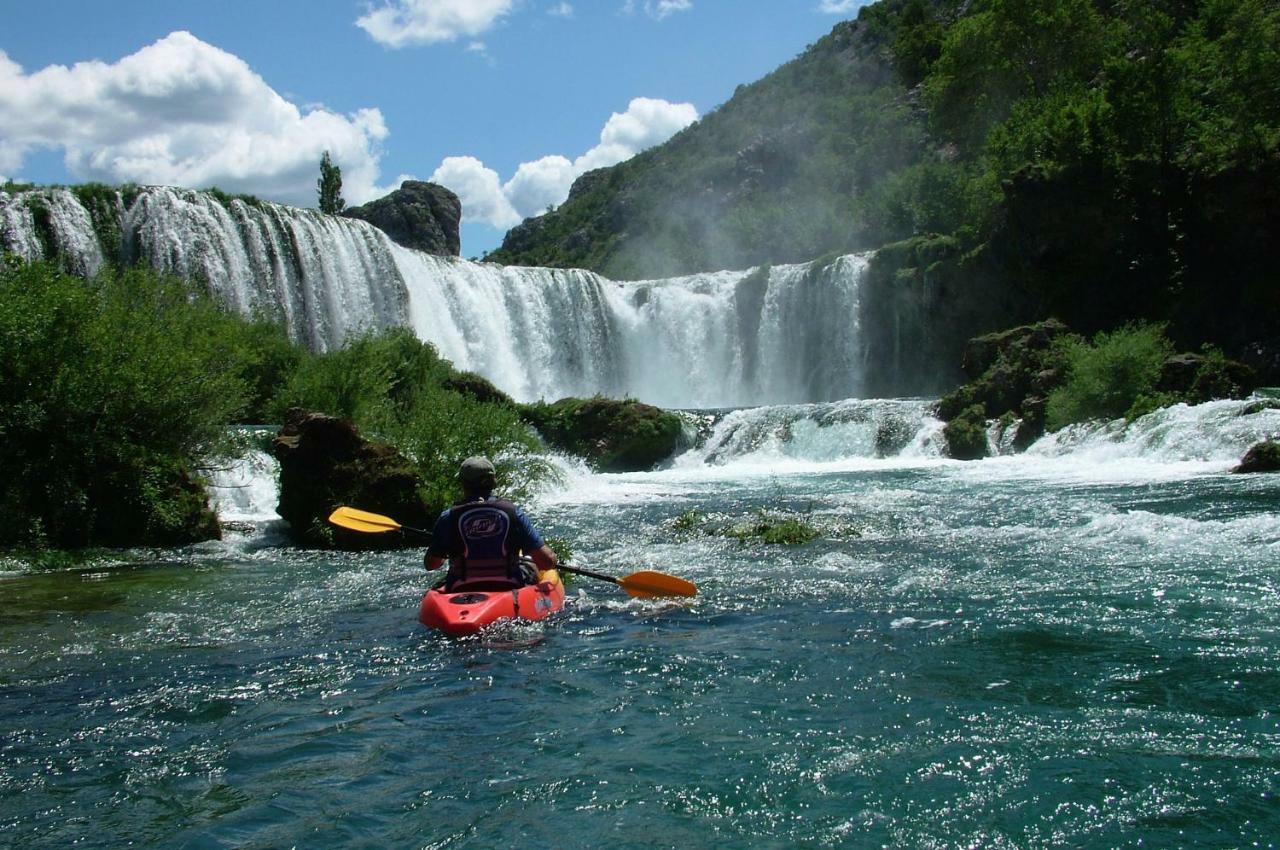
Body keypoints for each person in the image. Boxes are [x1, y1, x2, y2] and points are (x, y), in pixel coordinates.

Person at [423, 456, 558, 591]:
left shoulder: (448, 517)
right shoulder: (512, 512)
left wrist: (444, 551)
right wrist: (553, 559)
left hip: (461, 588)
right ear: (493, 482)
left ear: (463, 484)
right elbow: (546, 561)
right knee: (530, 563)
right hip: (509, 587)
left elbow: (431, 564)